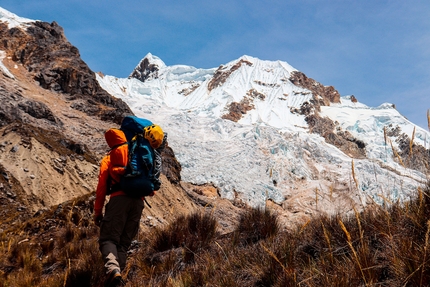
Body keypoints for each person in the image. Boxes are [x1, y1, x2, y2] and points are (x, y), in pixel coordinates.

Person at [93, 128, 143, 287]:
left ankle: (113, 271)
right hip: (138, 203)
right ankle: (117, 281)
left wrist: (97, 212)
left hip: (118, 201)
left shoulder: (109, 158)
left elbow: (101, 188)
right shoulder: (137, 154)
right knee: (123, 244)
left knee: (108, 239)